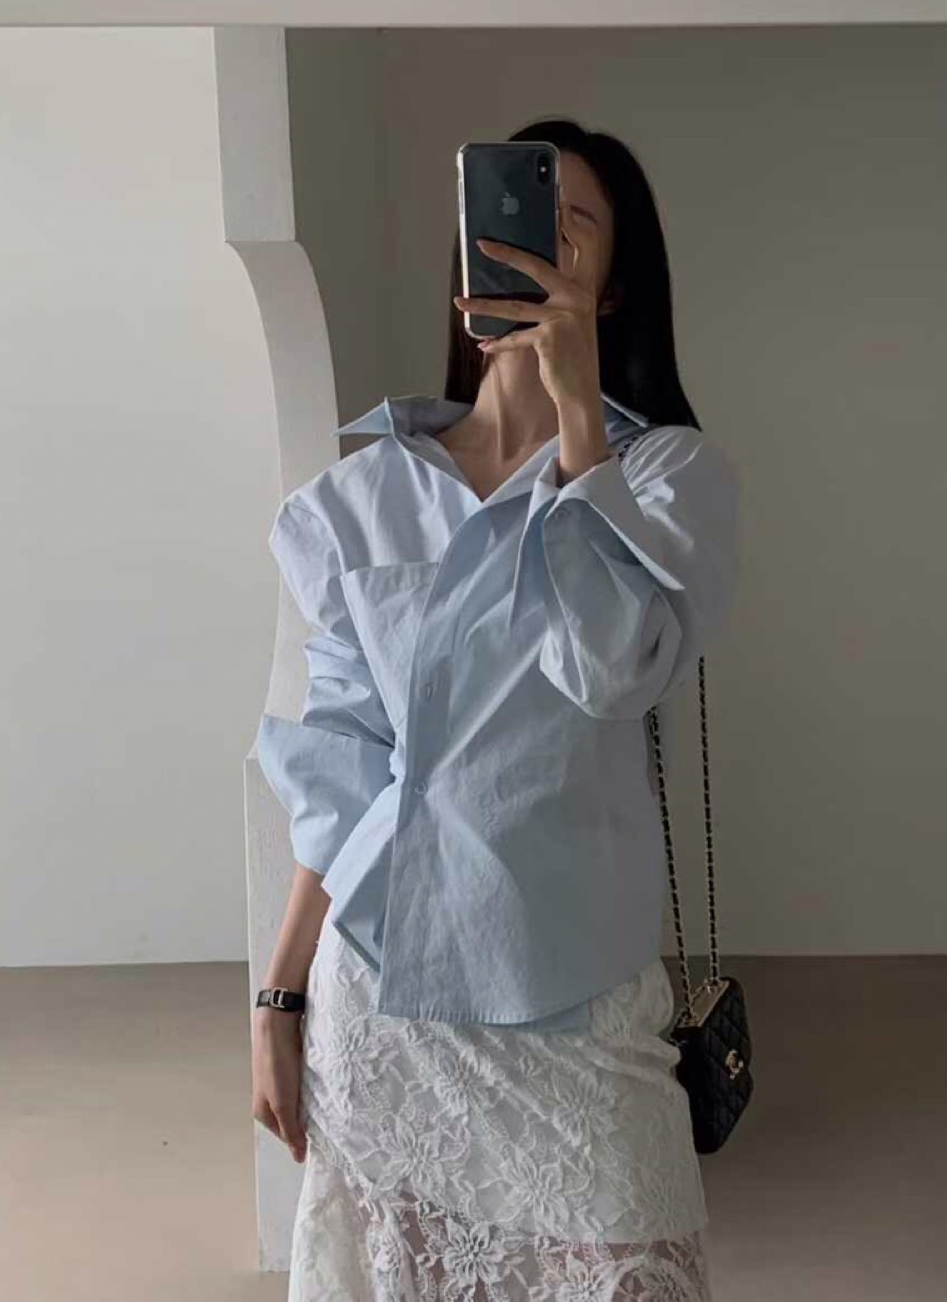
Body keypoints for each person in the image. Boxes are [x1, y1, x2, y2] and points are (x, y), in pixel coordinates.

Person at [250, 118, 741, 1300]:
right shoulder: (361, 496)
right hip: (385, 999)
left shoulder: (670, 477)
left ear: (611, 286)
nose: (538, 241)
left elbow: (614, 668)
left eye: (574, 224)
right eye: (519, 213)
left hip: (576, 987)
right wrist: (279, 993)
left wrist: (579, 433)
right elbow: (345, 763)